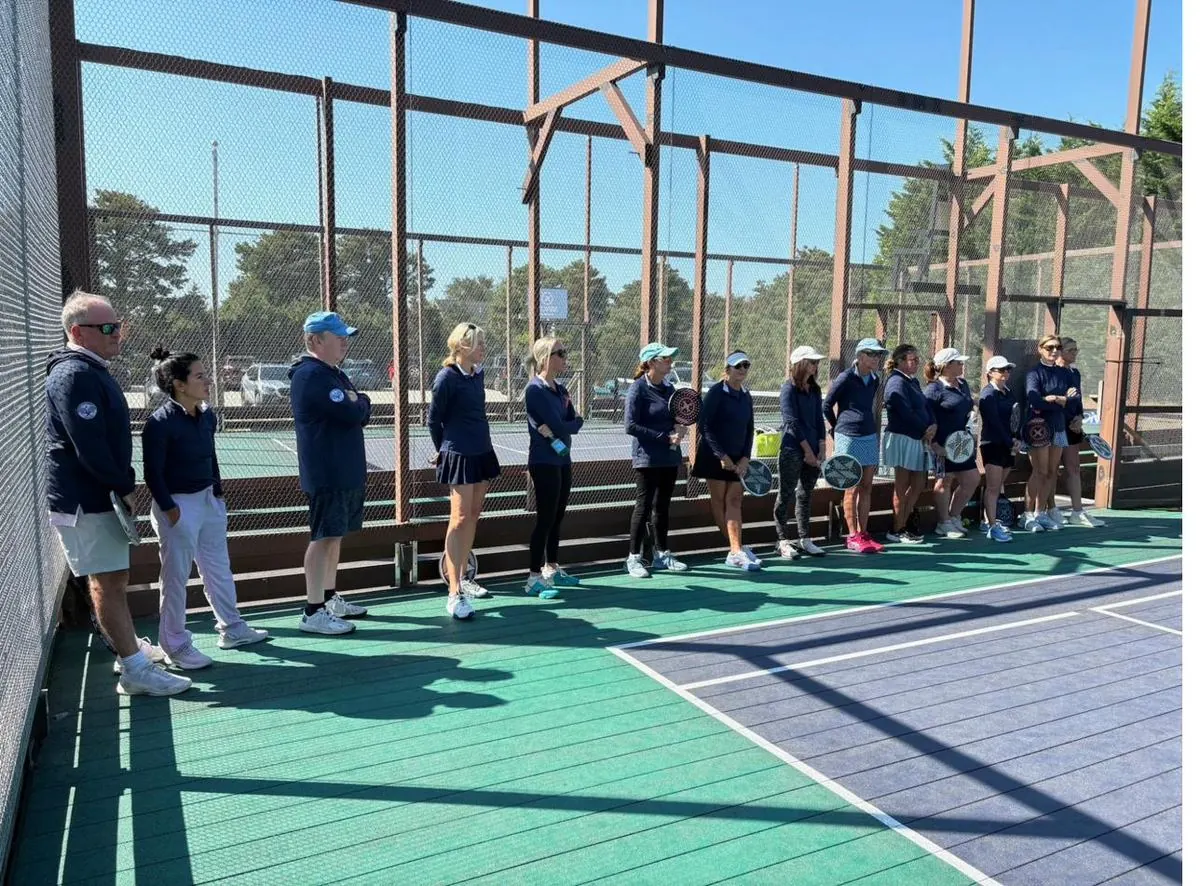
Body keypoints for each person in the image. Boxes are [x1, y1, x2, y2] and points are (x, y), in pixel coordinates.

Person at [45, 292, 191, 696]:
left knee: (113, 577)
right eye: (108, 327)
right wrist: (124, 485)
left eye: (118, 325)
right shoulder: (75, 375)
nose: (117, 334)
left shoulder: (89, 370)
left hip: (97, 497)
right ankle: (134, 669)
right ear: (78, 332)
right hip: (87, 500)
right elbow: (90, 446)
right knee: (108, 581)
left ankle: (128, 650)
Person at [141, 348, 269, 668]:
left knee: (218, 568)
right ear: (179, 385)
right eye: (199, 376)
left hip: (209, 501)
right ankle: (174, 645)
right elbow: (153, 474)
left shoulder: (208, 415)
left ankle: (232, 628)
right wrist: (171, 510)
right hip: (177, 507)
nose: (208, 380)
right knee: (176, 578)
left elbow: (211, 457)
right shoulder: (159, 424)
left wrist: (217, 494)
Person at [289, 311, 372, 635]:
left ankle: (328, 597)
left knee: (334, 536)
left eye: (344, 337)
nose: (344, 343)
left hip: (344, 471)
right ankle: (313, 611)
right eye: (337, 337)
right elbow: (353, 411)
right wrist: (357, 403)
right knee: (322, 537)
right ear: (315, 341)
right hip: (327, 472)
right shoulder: (310, 375)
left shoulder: (333, 374)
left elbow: (360, 406)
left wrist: (357, 402)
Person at [429, 322, 501, 619]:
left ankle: (463, 577)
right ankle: (454, 591)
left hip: (482, 451)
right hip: (457, 454)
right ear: (461, 345)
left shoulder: (478, 374)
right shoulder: (446, 377)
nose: (483, 348)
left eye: (483, 343)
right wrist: (442, 451)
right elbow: (434, 420)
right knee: (458, 519)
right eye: (478, 343)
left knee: (472, 515)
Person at [523, 336, 583, 599]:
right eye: (560, 353)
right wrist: (564, 426)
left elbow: (574, 421)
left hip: (562, 459)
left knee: (557, 517)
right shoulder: (534, 390)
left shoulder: (562, 390)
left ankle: (552, 568)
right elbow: (560, 425)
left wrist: (565, 425)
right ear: (545, 358)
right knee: (545, 518)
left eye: (564, 351)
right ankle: (533, 578)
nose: (564, 357)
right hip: (543, 461)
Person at [624, 343, 688, 578]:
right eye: (665, 359)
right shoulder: (637, 389)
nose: (670, 362)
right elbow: (630, 426)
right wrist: (664, 437)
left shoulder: (670, 389)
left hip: (670, 457)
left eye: (671, 358)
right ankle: (633, 558)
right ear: (651, 363)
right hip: (647, 459)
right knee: (643, 507)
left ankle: (661, 555)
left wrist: (680, 428)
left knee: (662, 507)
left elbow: (677, 417)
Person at [693, 351, 759, 570]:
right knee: (719, 501)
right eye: (738, 366)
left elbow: (749, 428)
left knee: (734, 500)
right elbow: (704, 426)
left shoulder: (746, 395)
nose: (742, 370)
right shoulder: (716, 393)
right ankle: (736, 549)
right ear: (727, 369)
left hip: (738, 459)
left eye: (746, 365)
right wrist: (722, 456)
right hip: (714, 458)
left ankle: (736, 550)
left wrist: (745, 457)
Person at [823, 338, 888, 553]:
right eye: (872, 354)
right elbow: (827, 405)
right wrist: (837, 428)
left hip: (868, 435)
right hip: (848, 437)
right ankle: (852, 536)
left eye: (879, 355)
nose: (877, 358)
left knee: (866, 486)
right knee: (851, 487)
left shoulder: (875, 379)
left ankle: (863, 533)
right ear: (860, 356)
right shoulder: (846, 378)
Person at [774, 346, 826, 559]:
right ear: (800, 364)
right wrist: (807, 451)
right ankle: (782, 541)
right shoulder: (788, 389)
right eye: (812, 361)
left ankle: (804, 539)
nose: (815, 365)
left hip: (813, 450)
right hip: (792, 450)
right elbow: (791, 422)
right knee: (785, 494)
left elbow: (818, 419)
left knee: (805, 495)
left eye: (816, 362)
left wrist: (821, 446)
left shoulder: (815, 390)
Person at [881, 343, 936, 544]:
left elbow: (925, 406)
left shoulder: (912, 381)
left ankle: (905, 519)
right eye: (913, 360)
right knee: (902, 484)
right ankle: (897, 528)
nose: (917, 363)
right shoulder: (895, 382)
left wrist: (933, 424)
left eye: (918, 359)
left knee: (919, 483)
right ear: (900, 361)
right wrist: (924, 429)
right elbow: (905, 412)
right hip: (902, 438)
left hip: (918, 438)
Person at [923, 347, 979, 539]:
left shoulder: (963, 384)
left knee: (972, 479)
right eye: (958, 362)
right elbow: (926, 417)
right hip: (941, 445)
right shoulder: (933, 389)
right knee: (944, 481)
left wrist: (973, 411)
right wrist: (934, 445)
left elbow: (967, 405)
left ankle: (954, 516)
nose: (962, 365)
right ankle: (943, 523)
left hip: (961, 444)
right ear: (946, 366)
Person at [1022, 334, 1073, 532]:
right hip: (1038, 429)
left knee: (1052, 472)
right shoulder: (1034, 373)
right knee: (1040, 471)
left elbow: (1074, 399)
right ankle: (1027, 516)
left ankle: (1040, 513)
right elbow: (1034, 400)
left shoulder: (1064, 373)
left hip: (1058, 427)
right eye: (1049, 347)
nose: (1054, 351)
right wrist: (1059, 401)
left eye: (1057, 347)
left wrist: (1057, 399)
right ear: (1040, 349)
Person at [1054, 337, 1105, 528]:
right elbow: (1053, 400)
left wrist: (1079, 418)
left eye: (1076, 349)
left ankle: (1078, 511)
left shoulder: (1075, 373)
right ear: (1060, 351)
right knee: (1051, 470)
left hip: (1073, 428)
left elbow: (1078, 400)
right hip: (1056, 427)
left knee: (1074, 468)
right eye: (1071, 350)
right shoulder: (1053, 372)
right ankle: (1049, 510)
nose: (1075, 353)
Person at [978, 355, 1020, 543]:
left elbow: (1015, 417)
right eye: (1001, 370)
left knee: (998, 485)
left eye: (1008, 369)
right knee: (994, 487)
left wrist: (1016, 439)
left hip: (1008, 444)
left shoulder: (1009, 392)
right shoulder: (987, 394)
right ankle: (992, 526)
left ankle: (988, 520)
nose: (1006, 373)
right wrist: (1010, 441)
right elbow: (994, 422)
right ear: (990, 373)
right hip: (992, 444)